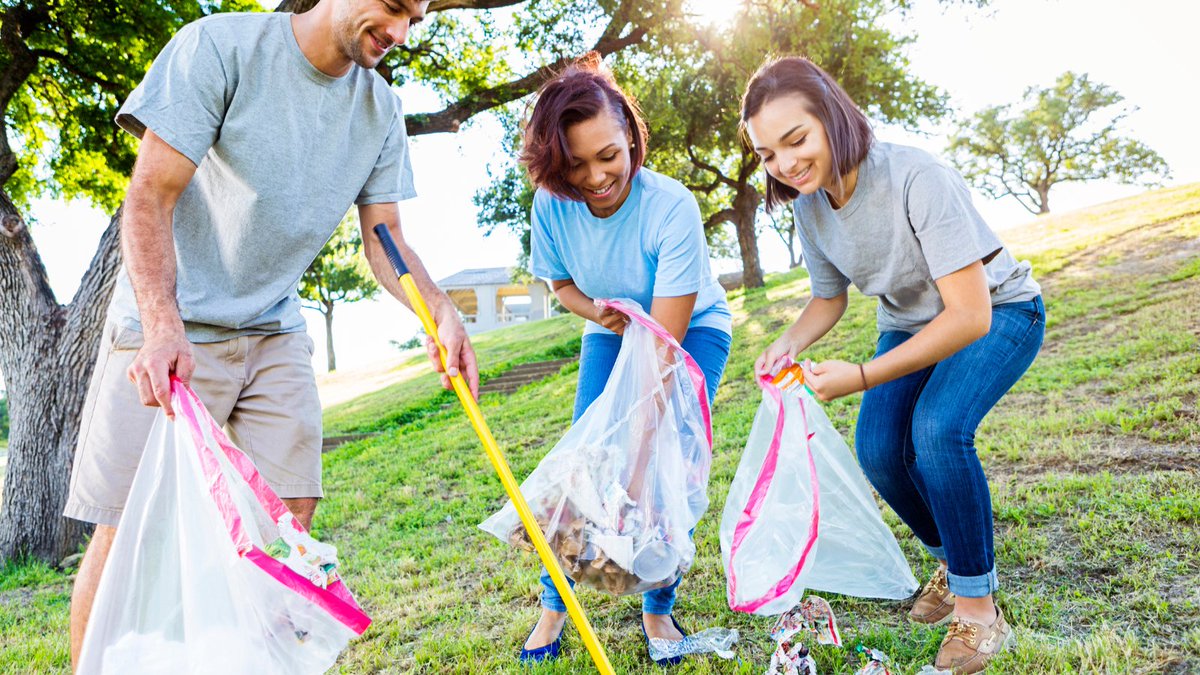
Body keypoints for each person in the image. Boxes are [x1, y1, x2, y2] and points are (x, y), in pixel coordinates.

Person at [64, 1, 478, 669]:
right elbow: (150, 194)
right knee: (128, 534)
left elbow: (385, 237)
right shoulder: (220, 48)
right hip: (169, 320)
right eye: (395, 7)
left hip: (271, 327)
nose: (401, 33)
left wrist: (439, 309)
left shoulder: (379, 110)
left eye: (417, 20)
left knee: (285, 525)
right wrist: (163, 323)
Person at [743, 57, 1044, 674]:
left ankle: (979, 611)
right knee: (879, 449)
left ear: (830, 115)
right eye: (768, 154)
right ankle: (956, 562)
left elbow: (969, 317)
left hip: (1001, 311)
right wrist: (788, 343)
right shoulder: (810, 205)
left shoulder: (916, 175)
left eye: (795, 139)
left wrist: (859, 376)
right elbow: (829, 298)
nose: (786, 164)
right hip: (909, 323)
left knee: (936, 432)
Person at [517, 54, 733, 665]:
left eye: (608, 155)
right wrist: (596, 313)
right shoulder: (551, 205)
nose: (594, 177)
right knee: (585, 463)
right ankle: (554, 607)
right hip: (613, 332)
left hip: (687, 332)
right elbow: (561, 285)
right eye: (575, 163)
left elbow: (663, 352)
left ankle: (658, 611)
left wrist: (637, 472)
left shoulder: (671, 207)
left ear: (632, 136)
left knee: (664, 460)